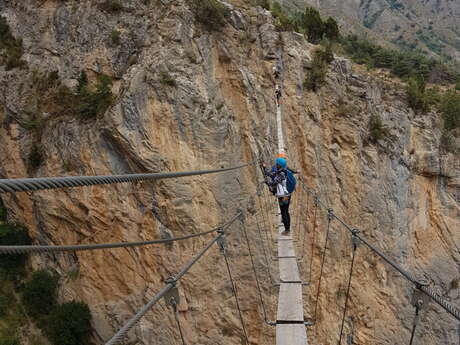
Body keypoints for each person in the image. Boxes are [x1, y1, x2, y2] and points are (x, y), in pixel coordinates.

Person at [262, 156, 297, 235]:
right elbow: (270, 174)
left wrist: (266, 182)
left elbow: (273, 182)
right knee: (285, 211)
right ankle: (287, 228)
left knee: (284, 212)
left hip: (284, 196)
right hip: (287, 194)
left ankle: (287, 230)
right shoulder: (281, 170)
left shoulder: (281, 174)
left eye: (277, 163)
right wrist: (264, 168)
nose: (276, 164)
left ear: (280, 165)